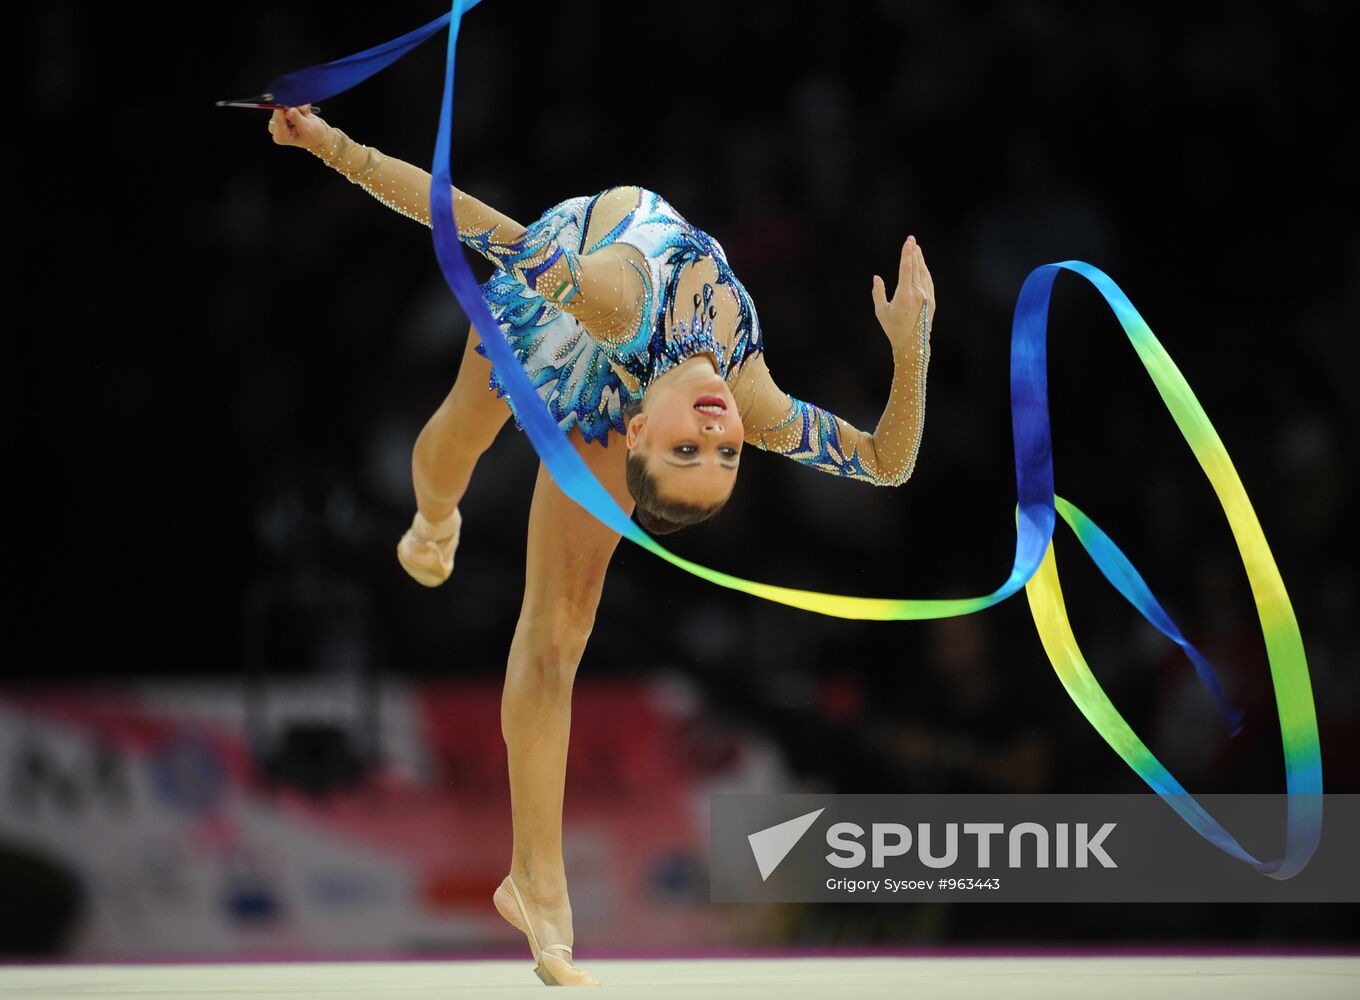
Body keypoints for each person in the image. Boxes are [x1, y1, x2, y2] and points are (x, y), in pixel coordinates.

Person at [266, 103, 935, 986]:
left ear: (636, 443)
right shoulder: (749, 391)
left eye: (691, 452)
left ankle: (535, 881)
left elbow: (459, 214)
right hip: (566, 284)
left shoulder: (631, 351)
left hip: (607, 345)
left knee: (559, 634)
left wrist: (328, 146)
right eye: (725, 454)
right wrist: (912, 345)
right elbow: (888, 464)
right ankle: (434, 520)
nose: (718, 431)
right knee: (453, 449)